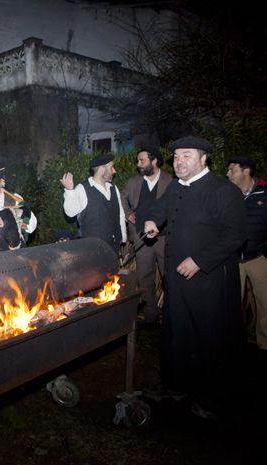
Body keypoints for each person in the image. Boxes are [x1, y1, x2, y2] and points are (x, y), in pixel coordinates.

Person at [144, 136, 247, 420]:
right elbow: (159, 209)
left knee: (209, 337)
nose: (179, 162)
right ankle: (176, 385)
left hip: (209, 282)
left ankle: (213, 397)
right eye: (176, 157)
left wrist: (200, 261)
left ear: (204, 159)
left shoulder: (223, 191)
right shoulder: (176, 187)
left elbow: (236, 234)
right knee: (178, 332)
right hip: (177, 281)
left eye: (186, 156)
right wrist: (152, 221)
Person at [120, 149, 173, 324]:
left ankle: (171, 313)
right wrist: (128, 214)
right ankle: (151, 313)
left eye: (141, 161)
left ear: (154, 161)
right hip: (141, 237)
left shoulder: (170, 181)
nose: (138, 165)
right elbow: (122, 197)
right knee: (144, 276)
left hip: (164, 238)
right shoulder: (134, 182)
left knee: (169, 275)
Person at [226, 156, 267, 350]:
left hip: (259, 258)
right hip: (233, 259)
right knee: (230, 305)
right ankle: (233, 344)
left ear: (246, 171)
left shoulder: (264, 193)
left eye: (232, 169)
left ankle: (264, 344)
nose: (227, 173)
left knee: (265, 303)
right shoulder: (227, 195)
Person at [60, 154, 127, 254]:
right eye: (112, 167)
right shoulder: (83, 189)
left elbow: (120, 214)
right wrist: (69, 190)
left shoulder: (113, 188)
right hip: (92, 250)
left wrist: (123, 237)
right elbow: (70, 212)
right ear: (102, 169)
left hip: (113, 247)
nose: (114, 171)